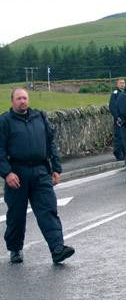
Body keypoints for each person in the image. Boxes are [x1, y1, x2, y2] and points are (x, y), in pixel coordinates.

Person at [0, 88, 75, 264]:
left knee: (48, 210)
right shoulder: (4, 121)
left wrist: (56, 168)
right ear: (12, 101)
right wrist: (7, 173)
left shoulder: (39, 117)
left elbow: (51, 143)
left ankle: (57, 248)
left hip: (41, 171)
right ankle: (15, 249)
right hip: (17, 173)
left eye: (25, 98)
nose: (22, 101)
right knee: (16, 215)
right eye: (19, 98)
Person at [108, 78, 126, 161]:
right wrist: (117, 117)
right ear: (117, 84)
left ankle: (124, 153)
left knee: (125, 136)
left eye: (123, 83)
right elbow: (112, 107)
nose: (122, 84)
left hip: (125, 119)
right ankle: (118, 154)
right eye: (121, 83)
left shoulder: (125, 93)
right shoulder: (115, 93)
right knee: (118, 137)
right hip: (118, 120)